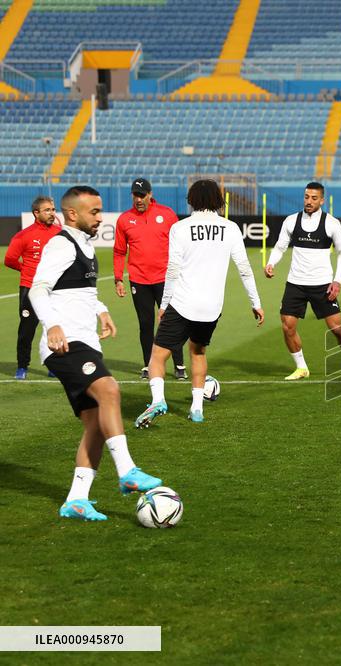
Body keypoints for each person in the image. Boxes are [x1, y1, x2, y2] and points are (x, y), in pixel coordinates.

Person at [29, 186, 163, 521]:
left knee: (95, 424)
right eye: (94, 212)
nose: (100, 217)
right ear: (73, 214)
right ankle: (127, 471)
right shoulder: (61, 244)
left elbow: (82, 291)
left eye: (101, 211)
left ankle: (76, 499)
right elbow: (38, 289)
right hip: (65, 343)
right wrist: (52, 325)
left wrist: (102, 309)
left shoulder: (84, 246)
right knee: (110, 390)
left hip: (84, 341)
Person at [135, 180, 263, 427]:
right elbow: (245, 269)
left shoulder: (180, 228)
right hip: (212, 306)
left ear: (191, 199)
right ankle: (196, 409)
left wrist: (164, 304)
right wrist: (255, 302)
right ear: (218, 200)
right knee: (198, 351)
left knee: (157, 356)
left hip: (183, 303)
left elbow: (172, 270)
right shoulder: (231, 228)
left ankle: (158, 399)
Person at [264, 181, 341, 381]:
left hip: (322, 284)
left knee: (337, 328)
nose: (309, 201)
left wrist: (337, 281)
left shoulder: (331, 223)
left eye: (313, 198)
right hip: (295, 283)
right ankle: (301, 367)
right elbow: (279, 247)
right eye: (306, 197)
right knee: (287, 325)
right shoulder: (291, 221)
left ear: (322, 200)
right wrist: (271, 263)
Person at [113, 177, 186, 380]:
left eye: (142, 195)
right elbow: (119, 251)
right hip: (139, 280)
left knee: (171, 322)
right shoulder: (124, 220)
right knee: (145, 324)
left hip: (166, 279)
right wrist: (118, 278)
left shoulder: (167, 214)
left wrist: (182, 272)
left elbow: (180, 245)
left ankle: (179, 364)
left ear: (150, 194)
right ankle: (148, 365)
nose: (139, 199)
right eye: (135, 195)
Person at [5, 195, 61, 379]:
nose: (52, 213)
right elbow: (9, 259)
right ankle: (22, 367)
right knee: (27, 330)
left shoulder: (60, 233)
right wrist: (26, 269)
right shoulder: (24, 235)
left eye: (53, 209)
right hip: (30, 288)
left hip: (54, 288)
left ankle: (53, 365)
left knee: (52, 328)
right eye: (47, 210)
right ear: (36, 213)